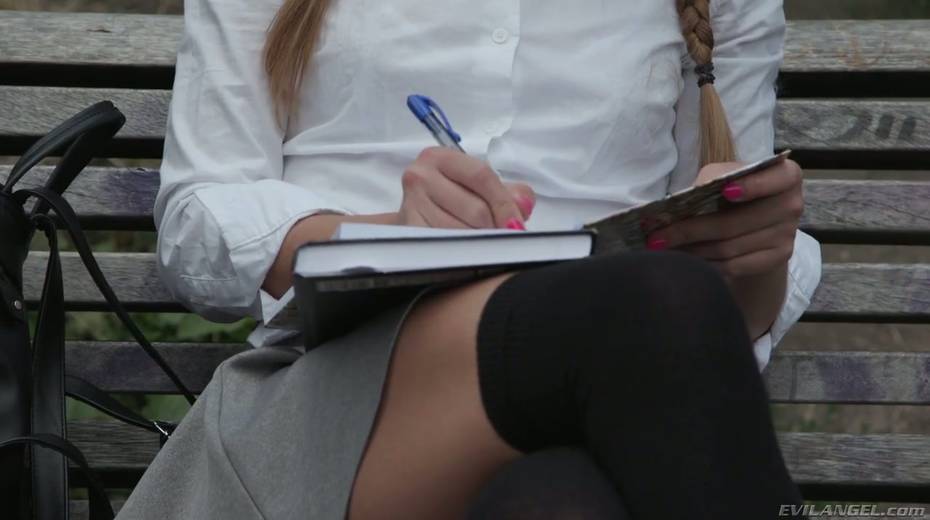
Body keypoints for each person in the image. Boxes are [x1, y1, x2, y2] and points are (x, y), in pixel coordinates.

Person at [118, 0, 822, 518]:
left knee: (559, 500)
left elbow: (720, 305)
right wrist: (387, 233)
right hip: (346, 409)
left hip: (626, 382)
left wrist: (757, 253)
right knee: (649, 302)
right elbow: (195, 222)